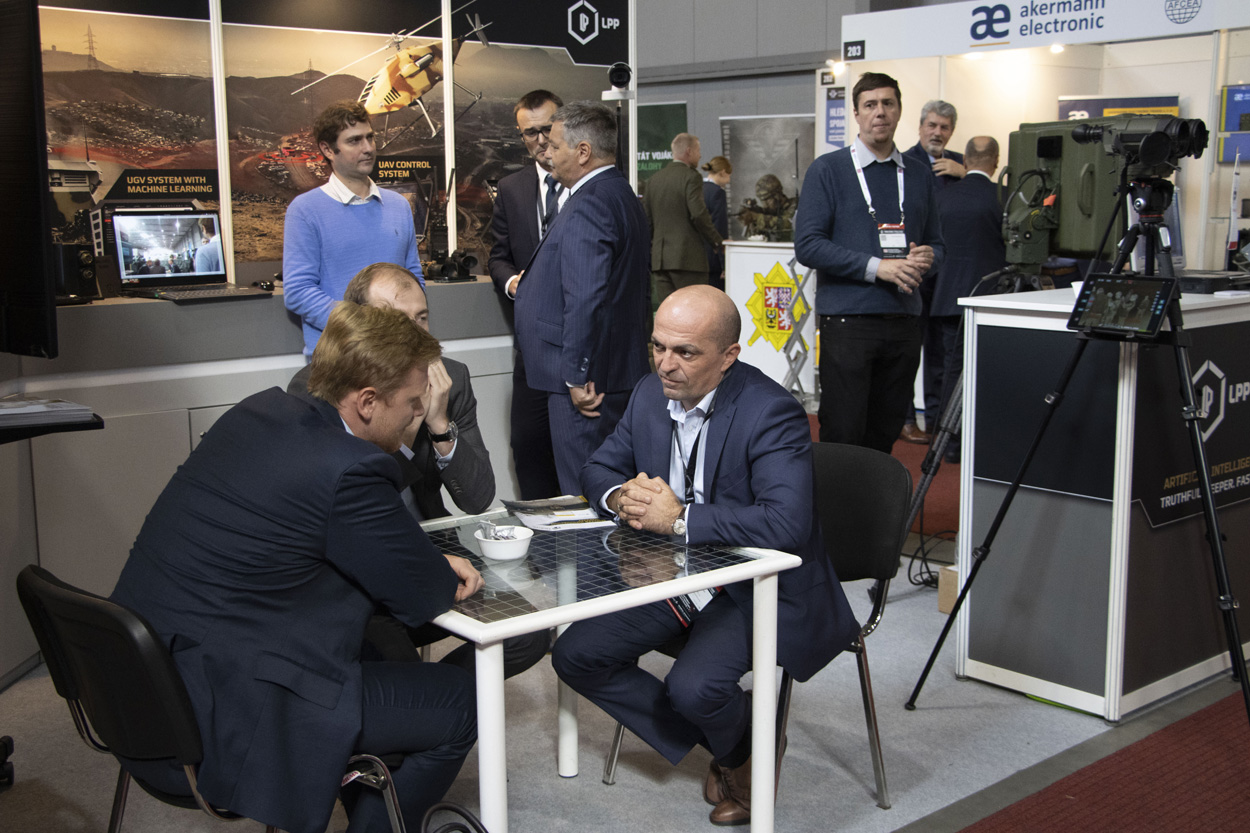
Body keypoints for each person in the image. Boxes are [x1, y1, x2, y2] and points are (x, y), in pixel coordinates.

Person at [110, 302, 482, 833]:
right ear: (367, 401)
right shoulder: (349, 470)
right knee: (460, 703)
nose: (418, 414)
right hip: (217, 715)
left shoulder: (257, 412)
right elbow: (425, 596)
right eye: (412, 403)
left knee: (370, 646)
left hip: (139, 689)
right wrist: (433, 564)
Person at [552, 285, 859, 827]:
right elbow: (597, 469)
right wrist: (622, 497)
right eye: (658, 346)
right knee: (576, 655)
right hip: (672, 573)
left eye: (685, 352)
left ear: (728, 356)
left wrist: (680, 518)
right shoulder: (650, 393)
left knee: (695, 688)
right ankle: (740, 743)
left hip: (751, 582)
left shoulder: (771, 411)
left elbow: (785, 524)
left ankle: (732, 739)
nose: (665, 365)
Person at [287, 263, 548, 677]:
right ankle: (429, 702)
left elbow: (477, 498)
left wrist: (439, 425)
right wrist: (408, 428)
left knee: (527, 631)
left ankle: (445, 694)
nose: (414, 335)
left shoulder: (451, 378)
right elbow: (358, 499)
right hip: (359, 566)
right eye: (397, 320)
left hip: (432, 543)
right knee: (393, 660)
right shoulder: (320, 385)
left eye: (421, 318)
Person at [794, 72, 944, 453]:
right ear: (857, 114)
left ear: (899, 111)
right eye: (871, 105)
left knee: (884, 434)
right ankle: (838, 498)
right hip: (849, 323)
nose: (880, 112)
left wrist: (928, 258)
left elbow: (939, 246)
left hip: (905, 322)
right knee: (843, 434)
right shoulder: (828, 170)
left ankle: (876, 496)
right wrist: (878, 267)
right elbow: (808, 245)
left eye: (888, 104)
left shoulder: (919, 175)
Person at [513, 102, 650, 495]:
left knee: (586, 490)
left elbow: (586, 296)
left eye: (556, 146)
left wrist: (575, 375)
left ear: (583, 151)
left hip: (588, 384)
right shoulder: (619, 193)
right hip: (613, 370)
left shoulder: (590, 202)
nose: (547, 152)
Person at [283, 100, 423, 355]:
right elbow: (298, 291)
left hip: (400, 354)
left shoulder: (399, 206)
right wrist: (364, 327)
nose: (368, 148)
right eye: (354, 141)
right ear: (328, 149)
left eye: (370, 137)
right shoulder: (305, 210)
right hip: (340, 358)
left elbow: (413, 278)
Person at [488, 89, 566, 500]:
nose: (540, 140)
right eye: (530, 133)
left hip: (580, 345)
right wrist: (511, 283)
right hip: (532, 344)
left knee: (578, 448)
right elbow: (498, 256)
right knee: (528, 447)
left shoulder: (589, 185)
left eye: (547, 128)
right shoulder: (511, 188)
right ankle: (539, 535)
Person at [933, 137, 1006, 461]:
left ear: (965, 159)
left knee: (952, 371)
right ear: (996, 162)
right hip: (995, 300)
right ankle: (986, 444)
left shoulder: (942, 198)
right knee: (993, 371)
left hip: (949, 298)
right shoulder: (1006, 197)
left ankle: (950, 445)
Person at [902, 100, 965, 444]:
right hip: (911, 272)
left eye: (944, 127)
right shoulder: (903, 162)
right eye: (932, 125)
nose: (937, 132)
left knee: (941, 356)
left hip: (947, 276)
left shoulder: (960, 165)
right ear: (920, 127)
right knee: (909, 352)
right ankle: (905, 419)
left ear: (951, 131)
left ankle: (937, 421)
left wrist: (965, 174)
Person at [643, 133, 724, 307]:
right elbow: (698, 214)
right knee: (693, 310)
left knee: (668, 312)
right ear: (689, 151)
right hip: (688, 260)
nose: (700, 156)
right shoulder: (691, 177)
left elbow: (647, 222)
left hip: (660, 262)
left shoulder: (654, 180)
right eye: (698, 150)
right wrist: (717, 241)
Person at [701, 156, 732, 291]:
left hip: (697, 257)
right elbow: (719, 227)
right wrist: (723, 262)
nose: (729, 180)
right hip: (713, 259)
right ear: (723, 172)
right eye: (729, 176)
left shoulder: (698, 189)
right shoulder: (718, 193)